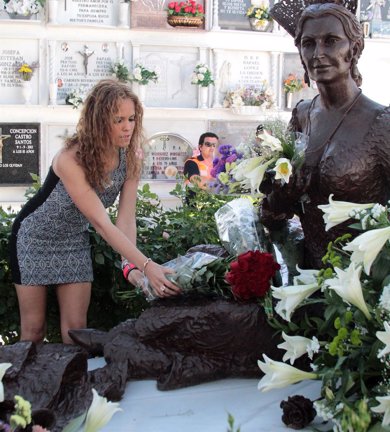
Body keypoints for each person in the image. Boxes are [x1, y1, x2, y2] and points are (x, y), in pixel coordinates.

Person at [9, 79, 181, 345]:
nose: (127, 127)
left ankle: (73, 386)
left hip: (73, 241)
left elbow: (125, 218)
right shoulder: (70, 158)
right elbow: (101, 222)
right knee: (33, 331)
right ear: (99, 121)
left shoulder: (132, 157)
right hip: (33, 239)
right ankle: (22, 387)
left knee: (76, 331)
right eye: (118, 120)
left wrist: (131, 266)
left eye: (132, 119)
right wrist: (147, 265)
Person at [261, 0, 390, 269]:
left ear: (353, 49)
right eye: (309, 43)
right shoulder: (301, 116)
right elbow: (272, 215)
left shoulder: (382, 123)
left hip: (363, 285)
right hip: (307, 280)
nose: (318, 53)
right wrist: (281, 197)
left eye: (331, 41)